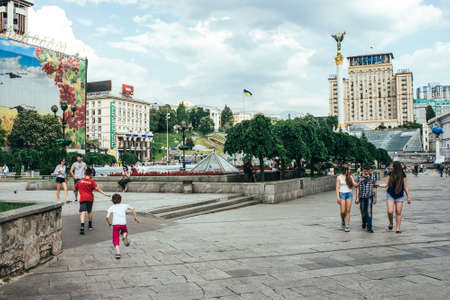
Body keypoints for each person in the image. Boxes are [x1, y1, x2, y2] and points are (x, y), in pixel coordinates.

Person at [377, 161, 411, 233]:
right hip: (390, 194)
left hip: (400, 195)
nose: (390, 167)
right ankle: (391, 223)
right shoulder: (390, 174)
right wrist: (379, 185)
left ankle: (398, 228)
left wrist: (408, 197)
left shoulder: (403, 175)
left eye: (392, 166)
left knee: (398, 212)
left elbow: (405, 186)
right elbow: (386, 184)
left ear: (395, 167)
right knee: (390, 211)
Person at [75, 168, 110, 235]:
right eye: (92, 174)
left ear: (84, 174)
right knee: (89, 211)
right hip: (90, 198)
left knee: (82, 212)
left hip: (82, 198)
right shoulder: (92, 181)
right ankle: (90, 225)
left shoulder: (80, 181)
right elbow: (98, 189)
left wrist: (76, 196)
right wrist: (105, 194)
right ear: (91, 174)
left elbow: (75, 189)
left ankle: (82, 226)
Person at [106, 194, 139, 259]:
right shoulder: (125, 206)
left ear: (112, 201)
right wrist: (135, 217)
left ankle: (118, 253)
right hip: (123, 223)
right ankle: (124, 236)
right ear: (120, 200)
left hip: (115, 225)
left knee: (115, 238)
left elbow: (107, 217)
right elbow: (133, 209)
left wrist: (109, 223)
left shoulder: (111, 207)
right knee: (125, 231)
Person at [336, 166, 359, 232]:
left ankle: (347, 226)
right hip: (342, 194)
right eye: (348, 169)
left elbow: (355, 185)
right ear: (345, 170)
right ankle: (343, 220)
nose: (349, 170)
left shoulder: (350, 176)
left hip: (349, 194)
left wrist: (360, 181)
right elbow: (337, 188)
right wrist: (338, 197)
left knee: (348, 210)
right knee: (343, 211)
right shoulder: (339, 177)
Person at [355, 164, 377, 233]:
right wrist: (357, 198)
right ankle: (364, 222)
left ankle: (369, 227)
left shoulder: (372, 177)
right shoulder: (359, 176)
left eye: (368, 171)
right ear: (362, 170)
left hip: (369, 196)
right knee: (363, 212)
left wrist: (375, 197)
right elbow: (357, 187)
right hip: (361, 197)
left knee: (369, 211)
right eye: (365, 171)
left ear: (370, 170)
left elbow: (374, 187)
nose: (366, 172)